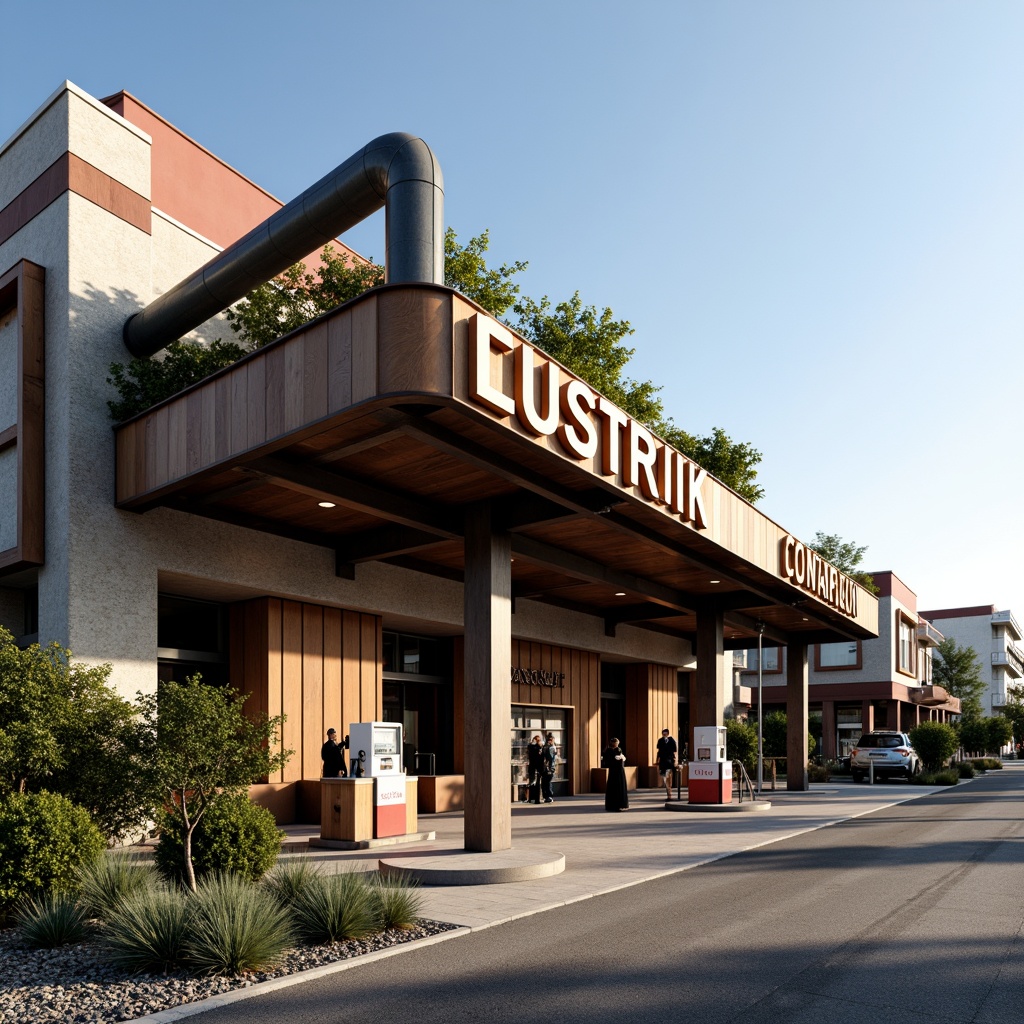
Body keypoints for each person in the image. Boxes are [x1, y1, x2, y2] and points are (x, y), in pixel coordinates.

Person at [601, 737, 629, 811]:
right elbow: (607, 761)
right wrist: (615, 759)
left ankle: (621, 804)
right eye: (616, 743)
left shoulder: (618, 749)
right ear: (613, 743)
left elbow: (621, 757)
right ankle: (612, 805)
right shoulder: (608, 750)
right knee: (613, 787)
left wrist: (621, 758)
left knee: (621, 786)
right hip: (613, 771)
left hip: (620, 770)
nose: (617, 744)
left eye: (617, 743)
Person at [656, 728, 678, 801]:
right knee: (665, 778)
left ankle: (670, 794)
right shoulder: (660, 741)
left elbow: (675, 751)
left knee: (669, 777)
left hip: (670, 761)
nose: (664, 735)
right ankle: (668, 792)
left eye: (665, 734)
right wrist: (657, 760)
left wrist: (675, 761)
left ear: (668, 734)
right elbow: (658, 751)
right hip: (663, 762)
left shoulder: (671, 740)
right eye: (663, 734)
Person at [526, 734, 545, 804]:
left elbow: (529, 748)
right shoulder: (540, 747)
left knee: (532, 783)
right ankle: (537, 799)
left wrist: (532, 743)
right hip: (538, 768)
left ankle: (531, 798)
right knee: (537, 784)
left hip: (533, 768)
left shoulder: (532, 747)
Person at [541, 732, 558, 803]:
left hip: (549, 767)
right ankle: (547, 796)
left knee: (547, 782)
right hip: (548, 766)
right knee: (545, 782)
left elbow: (551, 758)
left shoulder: (551, 747)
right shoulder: (550, 747)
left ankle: (548, 796)